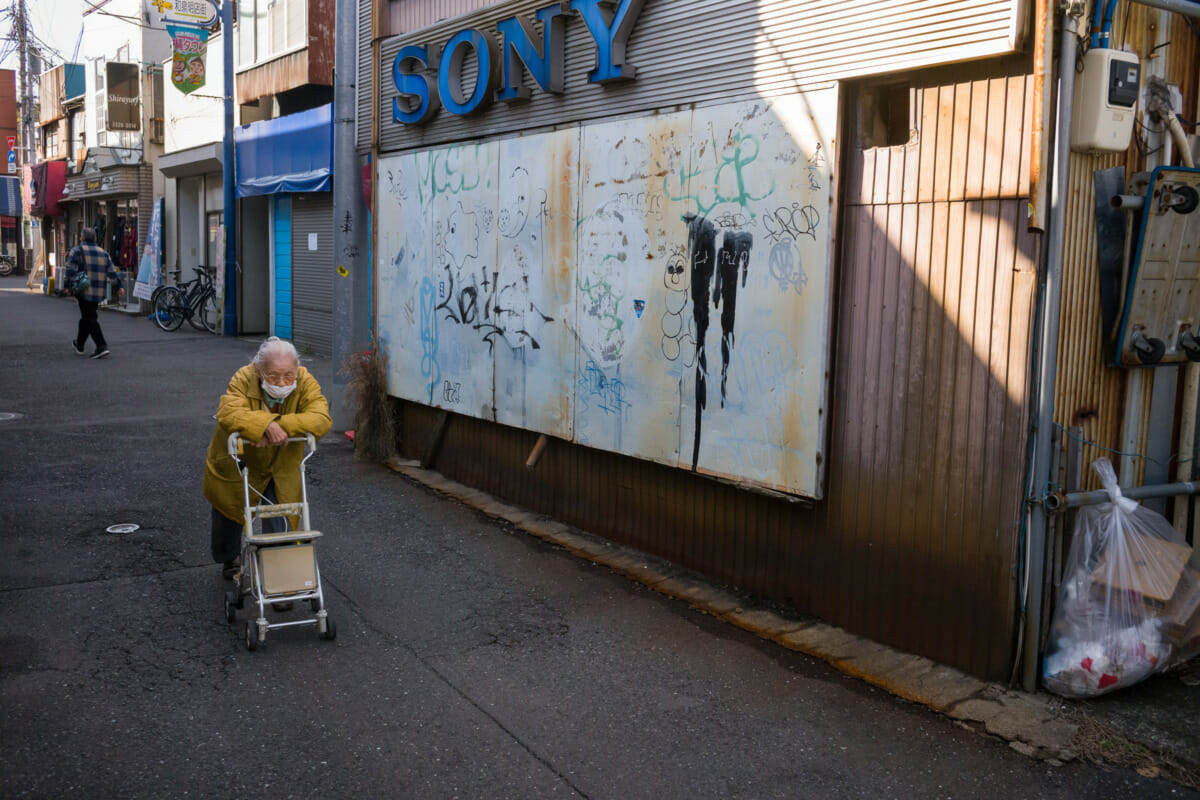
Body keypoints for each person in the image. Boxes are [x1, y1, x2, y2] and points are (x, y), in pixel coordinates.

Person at [203, 337, 332, 582]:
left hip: (281, 463)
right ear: (259, 370)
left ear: (297, 370)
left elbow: (320, 417)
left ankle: (279, 577)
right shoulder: (244, 377)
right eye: (273, 376)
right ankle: (229, 558)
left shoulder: (304, 380)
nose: (282, 383)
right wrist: (261, 425)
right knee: (228, 510)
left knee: (280, 514)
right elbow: (228, 410)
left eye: (288, 376)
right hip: (240, 459)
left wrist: (273, 426)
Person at [65, 227, 124, 359]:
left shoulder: (76, 251)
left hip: (83, 289)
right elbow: (112, 272)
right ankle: (79, 344)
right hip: (98, 291)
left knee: (90, 318)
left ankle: (101, 346)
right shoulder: (103, 253)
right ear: (95, 239)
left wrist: (67, 286)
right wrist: (119, 286)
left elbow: (70, 270)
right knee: (87, 316)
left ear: (82, 238)